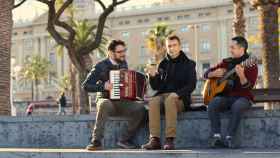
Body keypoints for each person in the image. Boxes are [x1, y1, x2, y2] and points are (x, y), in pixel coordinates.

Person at [82, 40, 146, 151]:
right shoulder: (100, 66)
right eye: (120, 51)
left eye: (124, 51)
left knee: (140, 108)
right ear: (111, 53)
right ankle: (96, 141)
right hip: (105, 99)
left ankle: (123, 139)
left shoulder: (123, 63)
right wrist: (103, 86)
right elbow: (86, 86)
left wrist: (133, 92)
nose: (123, 54)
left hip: (120, 101)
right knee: (105, 104)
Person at [142, 35, 197, 150]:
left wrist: (177, 94)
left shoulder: (189, 64)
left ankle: (169, 139)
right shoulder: (163, 64)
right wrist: (152, 76)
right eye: (169, 46)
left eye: (174, 45)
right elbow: (156, 86)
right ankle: (154, 139)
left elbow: (191, 85)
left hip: (180, 99)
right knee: (153, 101)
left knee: (170, 99)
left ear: (180, 46)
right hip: (163, 96)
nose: (171, 48)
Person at [204, 36, 258, 148]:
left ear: (241, 48)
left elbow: (249, 87)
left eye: (233, 47)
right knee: (213, 103)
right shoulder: (226, 62)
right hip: (227, 97)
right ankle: (216, 137)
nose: (230, 50)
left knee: (237, 106)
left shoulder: (251, 64)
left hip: (243, 97)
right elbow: (206, 74)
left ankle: (230, 138)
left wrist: (242, 76)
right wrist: (213, 74)